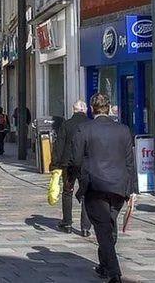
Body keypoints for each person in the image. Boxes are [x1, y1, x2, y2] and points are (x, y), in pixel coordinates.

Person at [72, 93, 136, 283]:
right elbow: (130, 162)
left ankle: (114, 272)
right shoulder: (123, 130)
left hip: (96, 186)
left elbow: (75, 160)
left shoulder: (84, 129)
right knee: (108, 225)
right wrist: (132, 189)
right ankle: (104, 264)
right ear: (109, 108)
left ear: (92, 109)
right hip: (118, 187)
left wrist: (82, 176)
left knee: (103, 229)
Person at [51, 101, 91, 236]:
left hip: (69, 164)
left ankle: (67, 223)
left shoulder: (66, 124)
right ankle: (85, 227)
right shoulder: (90, 124)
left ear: (73, 110)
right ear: (85, 110)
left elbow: (59, 145)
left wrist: (55, 164)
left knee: (67, 192)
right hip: (86, 164)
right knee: (86, 194)